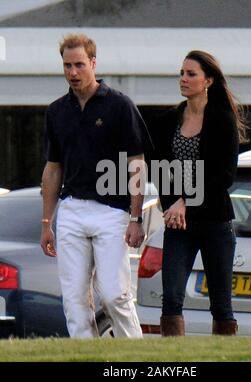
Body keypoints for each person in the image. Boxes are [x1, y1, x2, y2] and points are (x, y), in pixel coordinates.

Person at [40, 33, 152, 338]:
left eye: (79, 65)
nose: (72, 72)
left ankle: (135, 358)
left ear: (93, 63)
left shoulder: (119, 105)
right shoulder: (56, 111)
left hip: (113, 211)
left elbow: (137, 163)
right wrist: (47, 222)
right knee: (74, 299)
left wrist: (136, 216)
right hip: (72, 209)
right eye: (66, 66)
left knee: (115, 295)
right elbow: (52, 170)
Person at [148, 50, 247, 336]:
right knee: (172, 298)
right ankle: (174, 360)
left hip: (215, 221)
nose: (184, 79)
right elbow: (159, 167)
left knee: (221, 304)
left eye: (191, 74)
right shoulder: (169, 119)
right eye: (181, 73)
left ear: (208, 81)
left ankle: (224, 354)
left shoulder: (222, 120)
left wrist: (185, 201)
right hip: (179, 224)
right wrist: (171, 206)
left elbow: (224, 175)